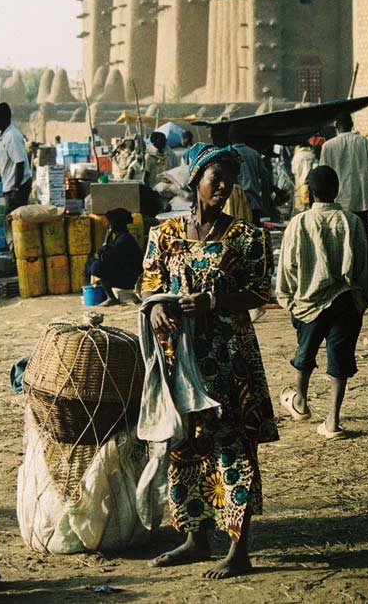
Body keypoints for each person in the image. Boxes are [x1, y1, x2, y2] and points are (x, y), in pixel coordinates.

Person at [142, 143, 277, 578]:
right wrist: (156, 308)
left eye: (229, 180)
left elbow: (260, 292)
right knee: (185, 447)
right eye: (215, 178)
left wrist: (214, 300)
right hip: (182, 360)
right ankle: (195, 540)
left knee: (232, 447)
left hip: (229, 358)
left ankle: (238, 549)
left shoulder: (246, 237)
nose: (223, 186)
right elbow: (148, 286)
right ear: (195, 180)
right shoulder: (163, 235)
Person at [276, 166, 368, 439]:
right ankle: (332, 421)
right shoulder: (351, 221)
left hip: (309, 303)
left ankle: (300, 403)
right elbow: (364, 264)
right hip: (345, 301)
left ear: (310, 191)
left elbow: (286, 266)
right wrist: (366, 296)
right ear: (337, 190)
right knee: (339, 361)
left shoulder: (299, 223)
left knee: (304, 355)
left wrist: (286, 298)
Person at [319, 111, 368, 260]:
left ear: (336, 126)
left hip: (340, 200)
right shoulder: (362, 141)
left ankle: (345, 271)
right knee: (365, 237)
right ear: (351, 125)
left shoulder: (328, 146)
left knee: (343, 239)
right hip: (362, 198)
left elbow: (324, 173)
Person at [86, 208, 143, 306]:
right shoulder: (119, 238)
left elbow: (104, 257)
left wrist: (107, 237)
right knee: (91, 262)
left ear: (114, 225)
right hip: (123, 272)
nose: (106, 225)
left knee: (97, 266)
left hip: (130, 278)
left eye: (108, 222)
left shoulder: (124, 240)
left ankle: (111, 297)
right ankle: (101, 293)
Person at [226, 125, 266, 226]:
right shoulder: (254, 153)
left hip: (235, 204)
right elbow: (264, 176)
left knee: (238, 235)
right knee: (255, 234)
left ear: (229, 137)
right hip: (254, 202)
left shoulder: (227, 154)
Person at [291, 143, 318, 213]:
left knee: (300, 204)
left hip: (299, 183)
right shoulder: (312, 155)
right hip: (310, 182)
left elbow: (293, 170)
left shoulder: (296, 156)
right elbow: (316, 168)